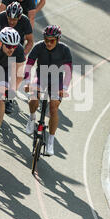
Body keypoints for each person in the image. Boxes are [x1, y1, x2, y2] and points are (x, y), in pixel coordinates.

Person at [23, 25, 72, 156]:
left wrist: (65, 88)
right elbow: (29, 64)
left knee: (54, 107)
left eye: (52, 41)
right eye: (46, 40)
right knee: (34, 96)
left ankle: (50, 141)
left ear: (58, 40)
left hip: (57, 80)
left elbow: (68, 71)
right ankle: (32, 118)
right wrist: (27, 82)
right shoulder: (39, 46)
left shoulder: (64, 50)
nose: (49, 43)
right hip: (41, 77)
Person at [0, 1, 33, 114]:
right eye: (9, 19)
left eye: (14, 20)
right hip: (1, 45)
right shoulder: (0, 17)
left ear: (20, 17)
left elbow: (30, 41)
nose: (11, 22)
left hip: (16, 48)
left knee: (17, 74)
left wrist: (23, 55)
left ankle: (10, 97)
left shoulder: (25, 21)